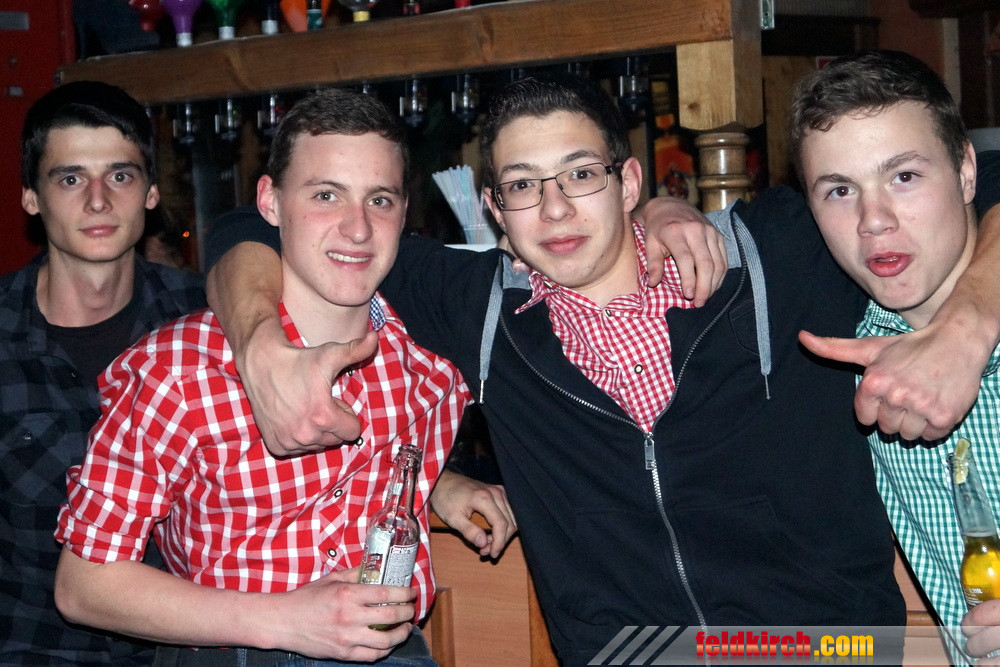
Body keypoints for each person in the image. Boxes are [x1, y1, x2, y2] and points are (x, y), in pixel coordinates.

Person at [203, 74, 1000, 664]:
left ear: (629, 181)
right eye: (524, 186)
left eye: (581, 174)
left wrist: (970, 321)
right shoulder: (482, 309)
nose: (554, 209)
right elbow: (255, 225)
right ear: (494, 210)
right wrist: (259, 343)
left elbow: (978, 176)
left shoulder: (767, 259)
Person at [53, 87, 514, 665]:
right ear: (269, 203)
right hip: (234, 651)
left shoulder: (432, 370)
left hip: (394, 651)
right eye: (326, 195)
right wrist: (289, 620)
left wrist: (439, 481)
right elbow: (83, 585)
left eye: (379, 200)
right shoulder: (178, 368)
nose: (357, 229)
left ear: (403, 214)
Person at [788, 50, 1000, 663]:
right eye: (839, 190)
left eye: (904, 176)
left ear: (966, 171)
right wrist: (662, 214)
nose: (873, 220)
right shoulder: (839, 347)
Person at [0, 80, 206, 665]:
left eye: (119, 175)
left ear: (151, 193)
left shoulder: (208, 320)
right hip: (34, 651)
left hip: (187, 648)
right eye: (70, 179)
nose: (97, 200)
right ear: (31, 198)